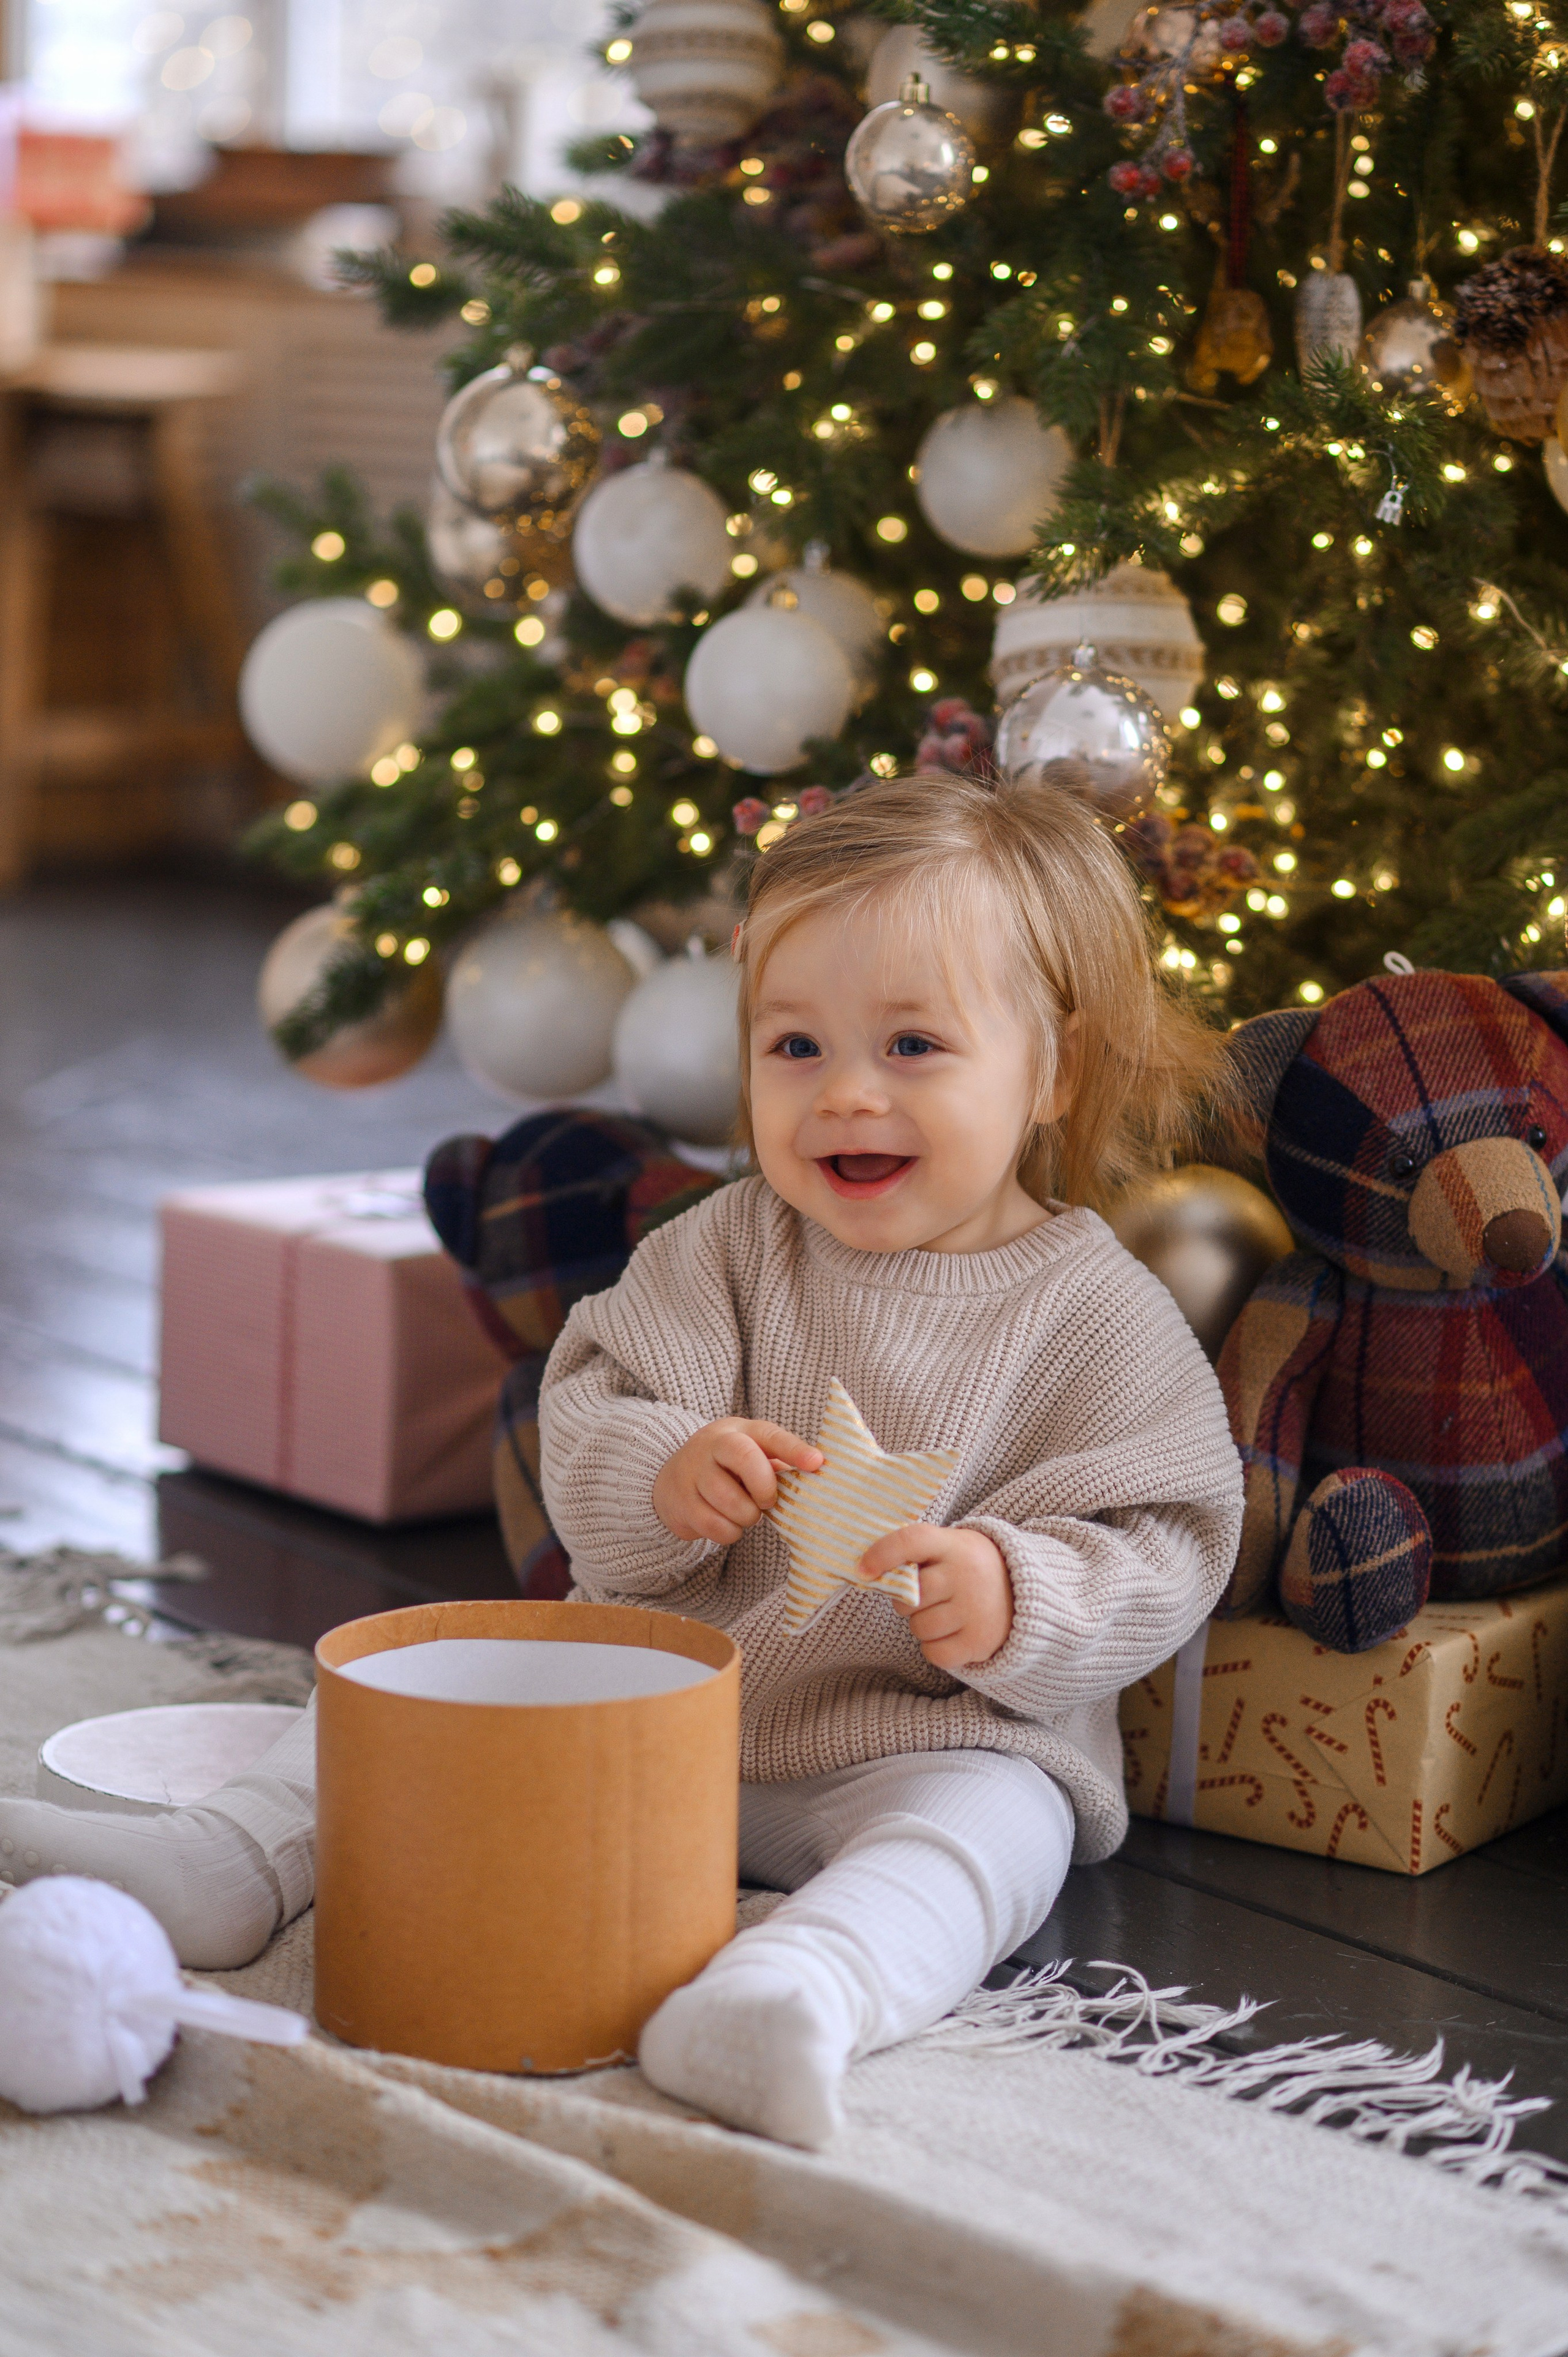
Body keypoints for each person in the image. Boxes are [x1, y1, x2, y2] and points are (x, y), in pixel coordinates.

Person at [0, 776, 1242, 2149]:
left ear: (1050, 1068)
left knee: (1003, 1826)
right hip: (645, 1707)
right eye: (793, 1045)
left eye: (909, 1044)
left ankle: (799, 1987)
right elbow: (587, 1403)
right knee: (413, 1672)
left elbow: (1170, 1530)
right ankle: (232, 1863)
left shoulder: (1092, 1311)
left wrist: (1021, 1592)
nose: (844, 1094)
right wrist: (662, 1470)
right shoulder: (723, 1248)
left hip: (913, 1738)